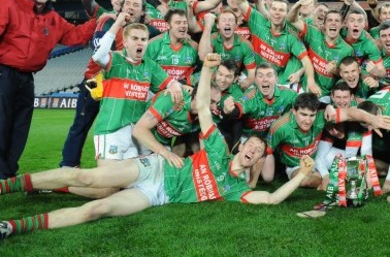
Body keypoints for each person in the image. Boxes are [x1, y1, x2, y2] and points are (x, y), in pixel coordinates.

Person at [0, 53, 316, 240]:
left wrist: (302, 176)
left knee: (97, 209)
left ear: (257, 161)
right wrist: (206, 69)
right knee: (87, 179)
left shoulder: (236, 190)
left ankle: (11, 226)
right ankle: (6, 186)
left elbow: (273, 198)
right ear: (242, 147)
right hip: (155, 166)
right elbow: (204, 108)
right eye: (252, 146)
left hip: (157, 195)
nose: (253, 151)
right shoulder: (219, 147)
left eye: (259, 153)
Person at [0, 0, 97, 179]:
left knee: (20, 127)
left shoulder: (53, 18)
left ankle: (7, 173)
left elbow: (75, 35)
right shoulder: (8, 3)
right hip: (4, 73)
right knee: (1, 122)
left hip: (27, 79)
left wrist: (98, 21)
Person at [59, 0, 157, 169]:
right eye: (128, 4)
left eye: (136, 5)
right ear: (121, 6)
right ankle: (68, 166)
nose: (131, 7)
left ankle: (124, 168)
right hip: (95, 83)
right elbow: (100, 53)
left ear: (143, 11)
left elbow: (163, 37)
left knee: (124, 127)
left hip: (121, 89)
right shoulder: (108, 22)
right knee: (80, 125)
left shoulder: (148, 30)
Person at [91, 14, 183, 167]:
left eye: (143, 39)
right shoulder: (115, 60)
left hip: (134, 134)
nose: (140, 42)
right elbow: (98, 55)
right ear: (125, 42)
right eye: (135, 38)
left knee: (127, 182)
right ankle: (64, 182)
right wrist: (118, 23)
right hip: (111, 130)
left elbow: (171, 82)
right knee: (107, 186)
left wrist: (174, 85)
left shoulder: (150, 66)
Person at [265, 92, 390, 188]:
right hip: (296, 164)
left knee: (368, 166)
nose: (308, 120)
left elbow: (350, 112)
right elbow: (267, 151)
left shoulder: (323, 115)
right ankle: (333, 178)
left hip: (321, 156)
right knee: (305, 180)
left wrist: (372, 119)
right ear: (294, 111)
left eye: (312, 115)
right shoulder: (280, 127)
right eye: (303, 115)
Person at [234, 0, 319, 93]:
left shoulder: (292, 36)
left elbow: (306, 60)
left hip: (275, 82)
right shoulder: (259, 21)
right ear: (270, 10)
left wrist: (311, 81)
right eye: (274, 9)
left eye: (281, 10)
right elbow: (240, 1)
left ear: (287, 14)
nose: (277, 13)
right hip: (251, 77)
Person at [288, 0, 354, 99]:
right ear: (324, 24)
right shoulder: (314, 34)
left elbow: (349, 78)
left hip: (325, 97)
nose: (333, 23)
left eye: (337, 21)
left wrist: (336, 71)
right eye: (330, 20)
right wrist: (298, 4)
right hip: (304, 90)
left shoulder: (347, 50)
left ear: (342, 25)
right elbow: (292, 20)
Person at [199, 10, 256, 90]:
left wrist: (246, 83)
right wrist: (208, 26)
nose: (227, 23)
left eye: (231, 20)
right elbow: (202, 56)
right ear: (218, 25)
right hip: (213, 76)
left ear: (236, 25)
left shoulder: (245, 45)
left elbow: (252, 73)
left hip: (233, 79)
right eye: (223, 20)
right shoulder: (212, 38)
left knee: (251, 91)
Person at [145, 9, 198, 85]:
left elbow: (203, 68)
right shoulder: (153, 44)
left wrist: (189, 81)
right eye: (178, 23)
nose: (183, 26)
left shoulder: (193, 46)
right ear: (168, 25)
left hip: (185, 91)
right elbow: (143, 70)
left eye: (185, 23)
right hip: (158, 92)